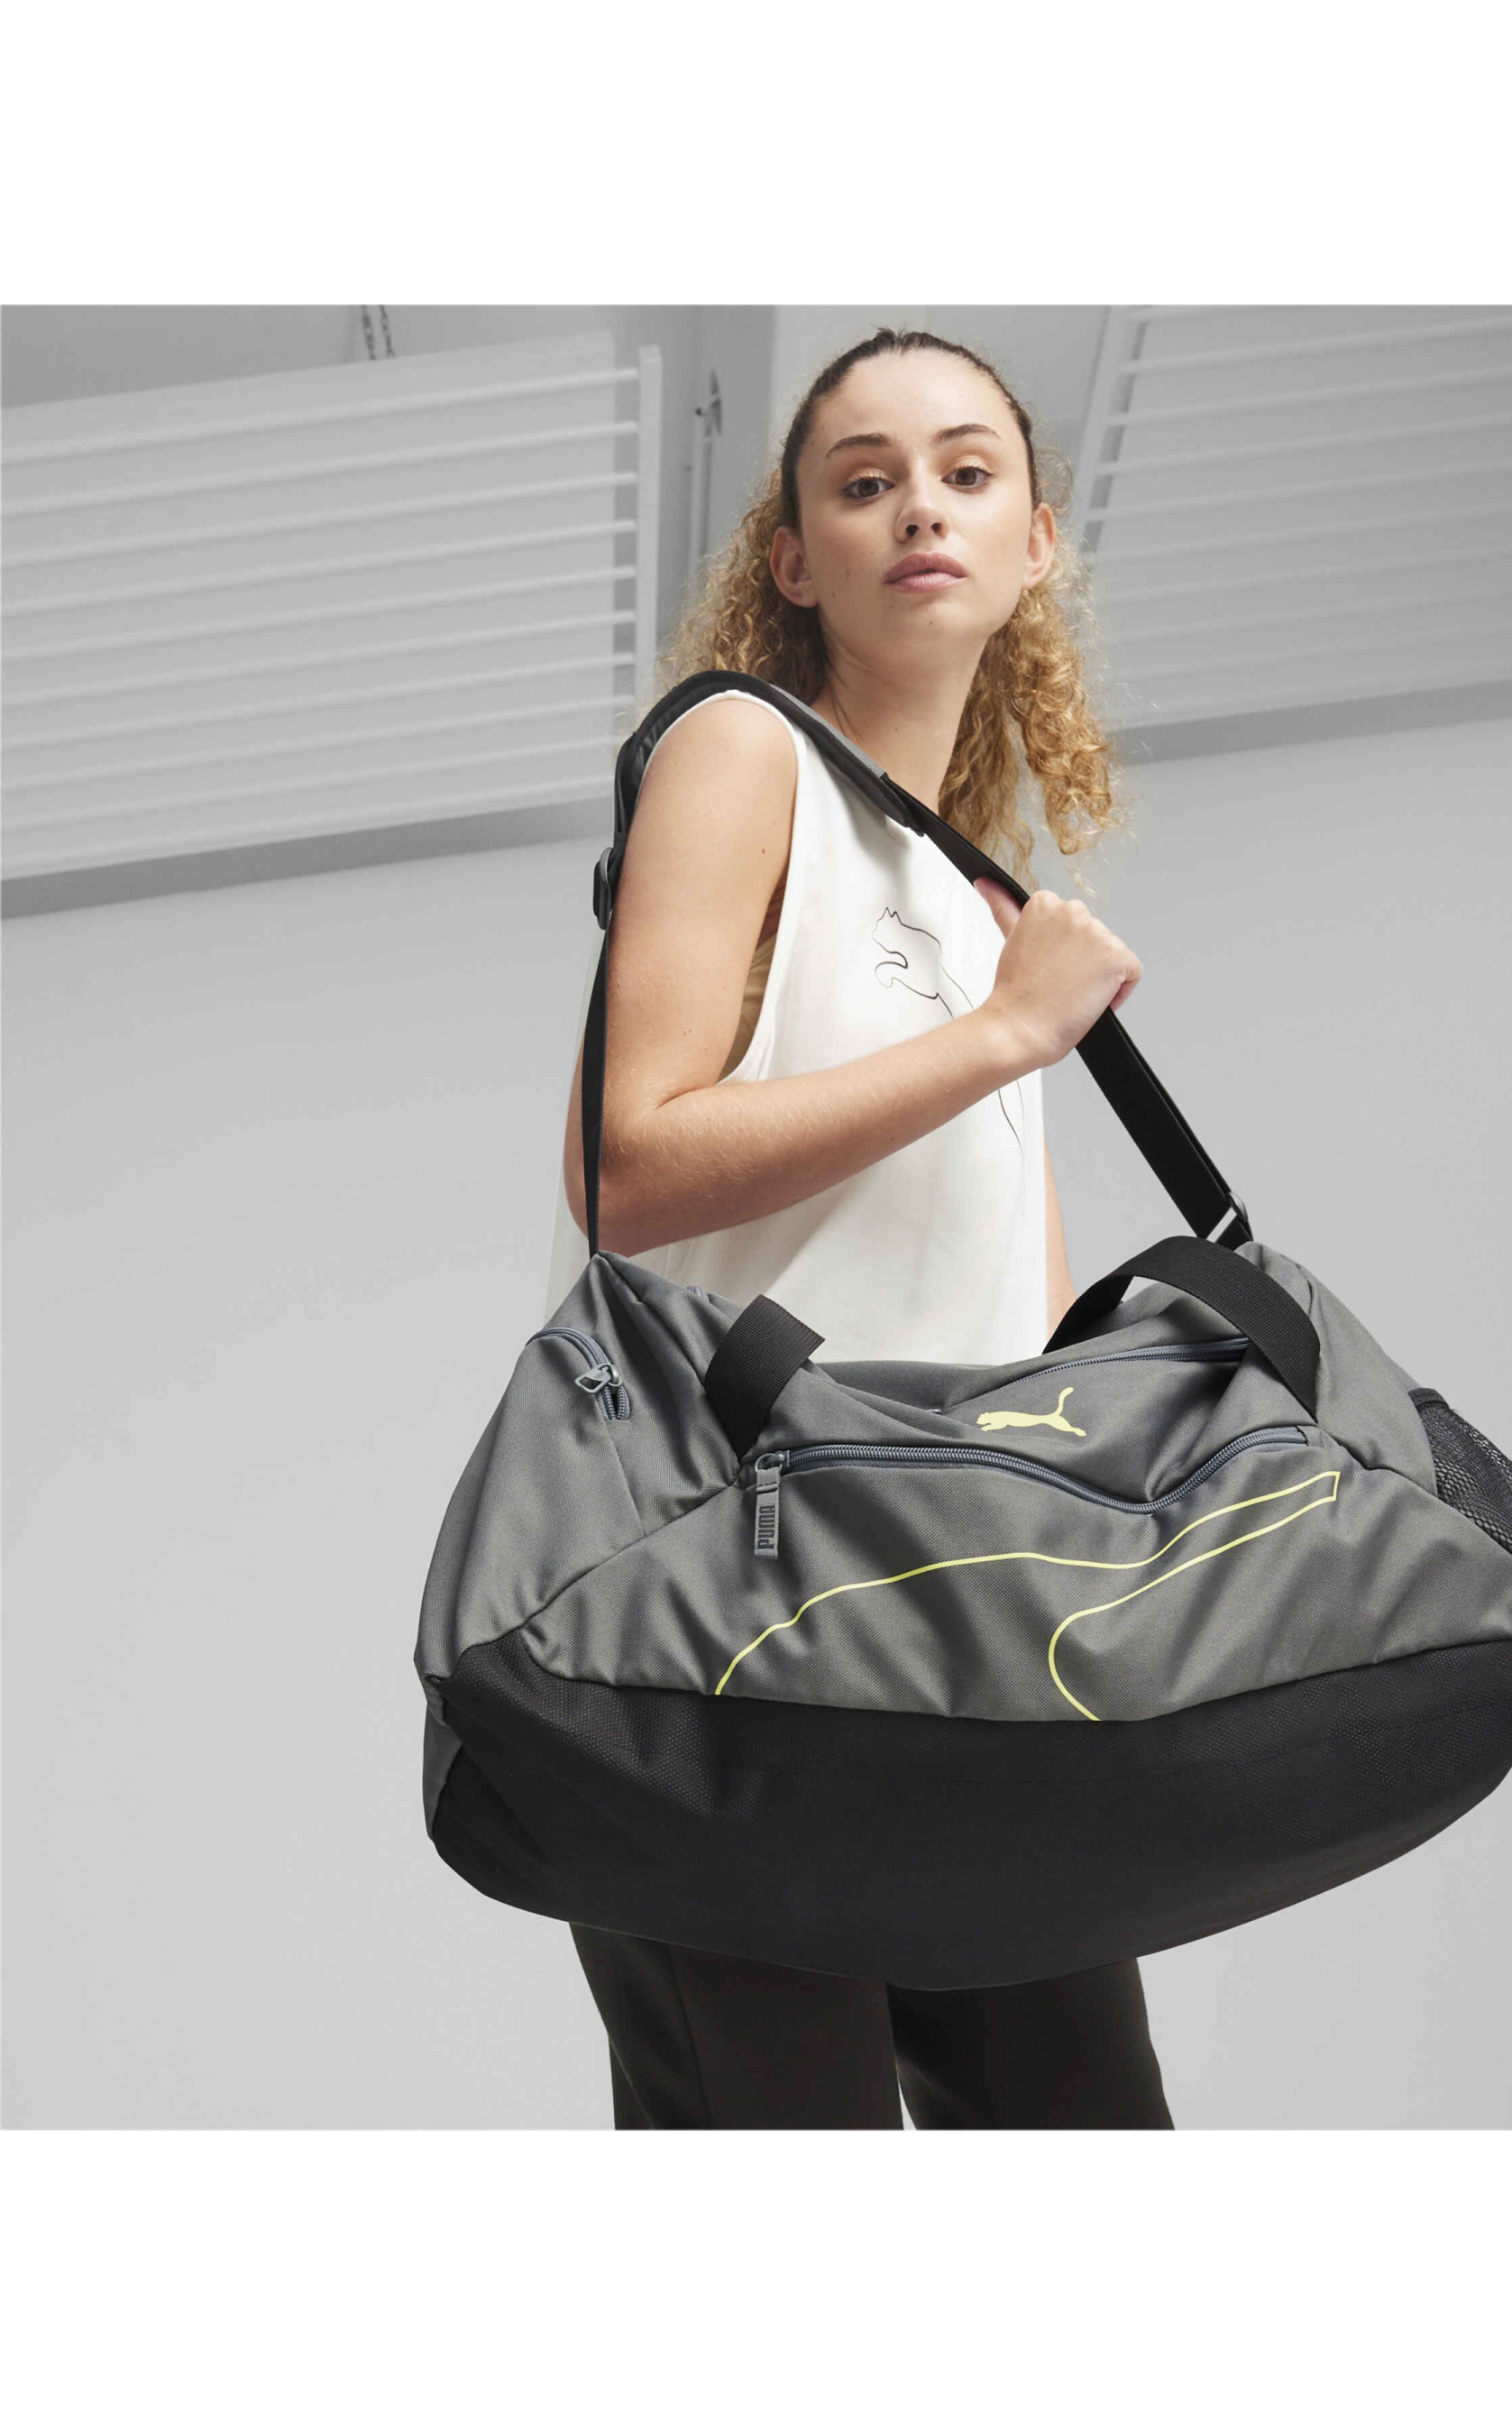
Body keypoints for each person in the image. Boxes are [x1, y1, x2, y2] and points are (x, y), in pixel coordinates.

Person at [543, 324, 1175, 2129]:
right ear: (793, 559)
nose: (919, 508)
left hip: (966, 1618)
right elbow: (624, 1167)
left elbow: (1019, 1333)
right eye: (863, 480)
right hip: (724, 1615)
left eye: (966, 473)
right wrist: (1004, 1035)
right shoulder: (740, 750)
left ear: (1034, 546)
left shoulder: (981, 904)